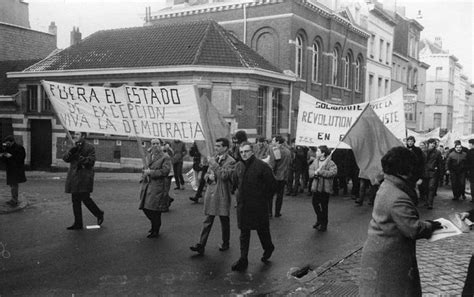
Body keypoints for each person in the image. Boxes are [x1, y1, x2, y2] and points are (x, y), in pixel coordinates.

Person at [359, 146, 442, 296]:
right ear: (403, 171)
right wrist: (430, 225)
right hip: (390, 260)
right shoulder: (398, 197)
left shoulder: (387, 185)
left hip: (381, 254)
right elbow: (413, 229)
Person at [231, 142, 275, 271]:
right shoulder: (238, 166)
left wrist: (262, 198)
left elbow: (272, 186)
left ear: (252, 152)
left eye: (246, 151)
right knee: (244, 233)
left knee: (262, 231)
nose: (244, 154)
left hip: (258, 206)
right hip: (243, 206)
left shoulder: (262, 166)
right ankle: (243, 259)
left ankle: (268, 248)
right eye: (242, 152)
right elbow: (234, 182)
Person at [190, 138, 235, 255]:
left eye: (219, 146)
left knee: (224, 220)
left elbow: (224, 175)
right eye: (215, 146)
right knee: (207, 220)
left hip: (222, 194)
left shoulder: (231, 161)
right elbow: (206, 175)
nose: (216, 148)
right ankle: (201, 244)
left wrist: (214, 165)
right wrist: (208, 177)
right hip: (211, 192)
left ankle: (226, 242)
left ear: (225, 147)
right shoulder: (214, 158)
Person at [63, 131, 104, 230]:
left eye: (77, 134)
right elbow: (65, 158)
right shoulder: (73, 145)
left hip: (84, 176)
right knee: (75, 200)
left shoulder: (89, 147)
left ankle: (99, 213)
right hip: (74, 176)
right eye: (75, 134)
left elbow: (91, 162)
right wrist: (70, 153)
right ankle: (78, 223)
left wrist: (79, 157)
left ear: (83, 136)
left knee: (85, 198)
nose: (75, 136)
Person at [139, 138, 172, 238]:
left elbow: (165, 171)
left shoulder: (165, 157)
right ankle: (154, 225)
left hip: (158, 186)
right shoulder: (149, 155)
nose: (155, 145)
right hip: (147, 185)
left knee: (154, 209)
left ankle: (155, 229)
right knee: (145, 207)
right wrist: (143, 174)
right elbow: (145, 168)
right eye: (153, 143)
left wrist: (151, 173)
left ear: (161, 145)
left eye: (157, 143)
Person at [308, 145, 337, 231]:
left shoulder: (330, 163)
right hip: (316, 187)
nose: (316, 153)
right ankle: (319, 219)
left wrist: (321, 172)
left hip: (325, 188)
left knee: (324, 206)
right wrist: (314, 174)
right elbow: (310, 171)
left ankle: (324, 224)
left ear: (323, 153)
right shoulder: (315, 162)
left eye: (318, 151)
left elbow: (333, 172)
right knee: (315, 203)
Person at [268, 135, 291, 217]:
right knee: (280, 195)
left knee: (270, 195)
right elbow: (289, 163)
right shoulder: (288, 151)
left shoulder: (275, 150)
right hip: (284, 175)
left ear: (278, 142)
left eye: (274, 141)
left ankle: (269, 212)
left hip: (275, 176)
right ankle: (277, 212)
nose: (272, 142)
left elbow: (273, 164)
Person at [0, 135, 26, 207]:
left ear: (12, 142)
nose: (7, 144)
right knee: (12, 185)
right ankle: (13, 199)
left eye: (8, 143)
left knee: (14, 185)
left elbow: (20, 158)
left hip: (17, 169)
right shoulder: (7, 148)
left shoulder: (19, 148)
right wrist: (3, 155)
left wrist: (10, 156)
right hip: (10, 169)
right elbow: (4, 160)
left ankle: (14, 200)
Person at [420, 138, 443, 209]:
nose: (433, 144)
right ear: (428, 144)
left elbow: (440, 163)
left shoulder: (437, 152)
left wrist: (440, 173)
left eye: (434, 143)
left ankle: (430, 204)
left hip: (433, 173)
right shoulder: (423, 152)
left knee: (431, 187)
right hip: (424, 173)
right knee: (425, 188)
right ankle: (427, 202)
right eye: (431, 143)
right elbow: (420, 163)